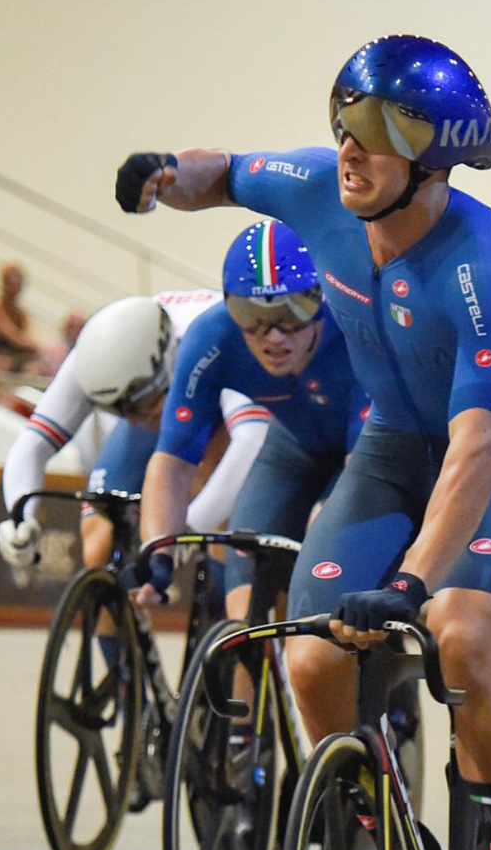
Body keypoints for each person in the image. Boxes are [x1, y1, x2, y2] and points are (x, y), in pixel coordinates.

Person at [114, 34, 491, 850]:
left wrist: (410, 582)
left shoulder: (485, 266)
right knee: (313, 655)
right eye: (343, 122)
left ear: (434, 156)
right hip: (395, 451)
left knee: (459, 636)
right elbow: (227, 175)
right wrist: (162, 176)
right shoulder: (321, 188)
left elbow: (479, 449)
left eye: (375, 131)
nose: (349, 148)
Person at [135, 219, 369, 622]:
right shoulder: (212, 336)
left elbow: (365, 474)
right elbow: (172, 459)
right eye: (251, 315)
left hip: (367, 455)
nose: (274, 336)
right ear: (229, 307)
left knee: (328, 572)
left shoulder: (355, 330)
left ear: (321, 299)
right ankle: (250, 683)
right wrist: (159, 553)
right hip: (292, 448)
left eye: (294, 311)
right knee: (244, 614)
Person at [0, 290, 267, 580]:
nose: (137, 416)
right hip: (167, 386)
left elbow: (250, 441)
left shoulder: (213, 336)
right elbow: (34, 443)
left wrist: (193, 525)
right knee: (98, 544)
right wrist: (20, 518)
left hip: (217, 403)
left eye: (142, 402)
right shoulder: (92, 355)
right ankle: (114, 616)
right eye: (120, 409)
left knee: (221, 502)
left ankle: (227, 605)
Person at [0, 263, 38, 368]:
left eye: (17, 283)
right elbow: (11, 335)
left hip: (12, 360)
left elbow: (29, 341)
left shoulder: (21, 315)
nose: (14, 287)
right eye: (10, 282)